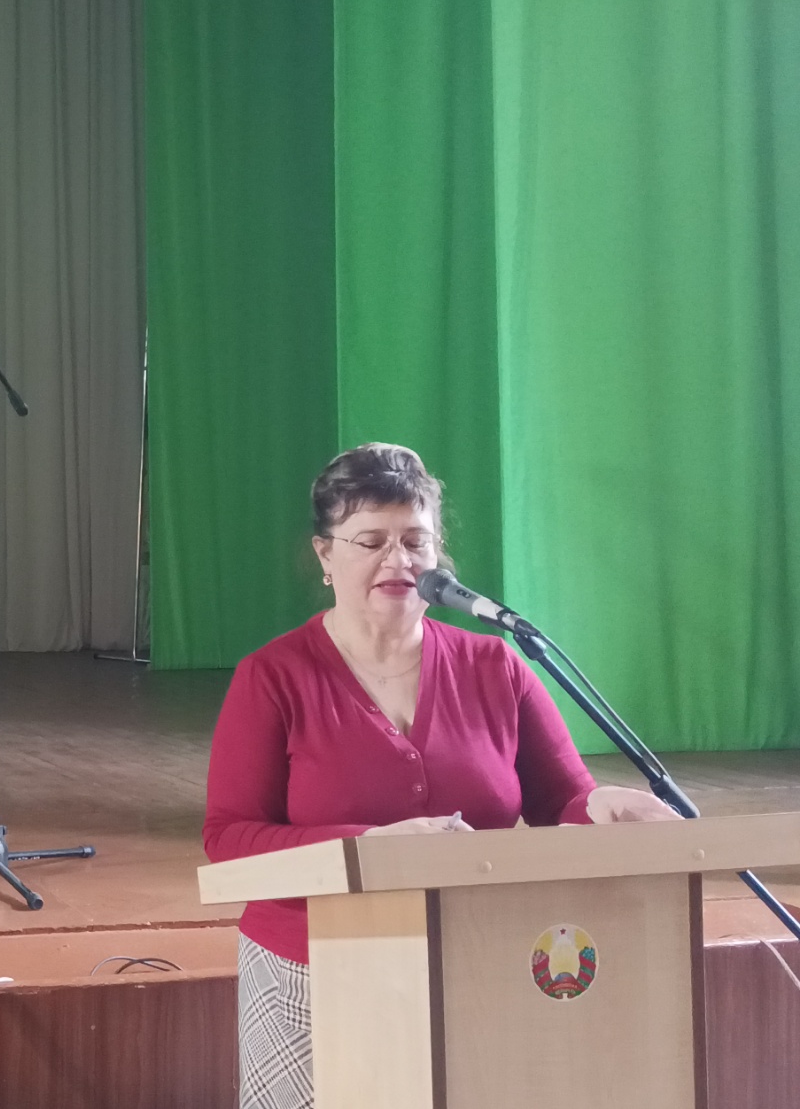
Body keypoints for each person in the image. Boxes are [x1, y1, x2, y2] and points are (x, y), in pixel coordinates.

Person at [203, 443, 677, 1109]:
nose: (397, 561)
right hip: (310, 976)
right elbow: (229, 838)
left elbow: (562, 797)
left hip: (475, 962)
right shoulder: (273, 677)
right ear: (325, 555)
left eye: (415, 541)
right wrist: (370, 847)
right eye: (371, 541)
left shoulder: (497, 666)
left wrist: (600, 806)